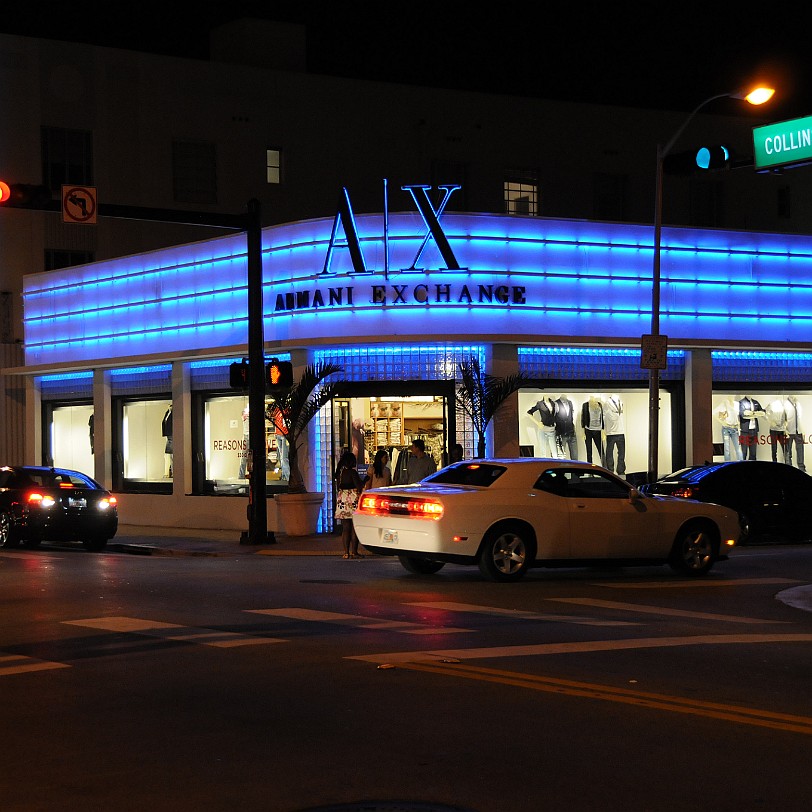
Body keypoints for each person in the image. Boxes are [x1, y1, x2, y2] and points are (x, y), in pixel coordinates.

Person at [334, 451, 364, 558]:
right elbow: (359, 486)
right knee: (354, 527)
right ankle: (354, 552)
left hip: (342, 500)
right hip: (353, 500)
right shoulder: (352, 472)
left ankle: (346, 552)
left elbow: (339, 487)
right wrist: (365, 480)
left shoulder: (340, 473)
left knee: (345, 528)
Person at [714, 396, 743, 461]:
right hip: (726, 428)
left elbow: (737, 417)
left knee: (738, 448)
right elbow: (713, 412)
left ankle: (741, 463)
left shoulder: (736, 404)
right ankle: (727, 464)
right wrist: (722, 422)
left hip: (735, 428)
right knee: (727, 449)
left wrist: (739, 426)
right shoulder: (724, 403)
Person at [603, 394, 626, 476]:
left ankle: (621, 470)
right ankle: (610, 470)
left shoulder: (620, 402)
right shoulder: (607, 403)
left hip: (621, 431)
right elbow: (605, 418)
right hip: (611, 432)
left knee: (622, 453)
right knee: (609, 453)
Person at [738, 394, 765, 461]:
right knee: (744, 452)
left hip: (754, 430)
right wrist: (754, 414)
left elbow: (762, 412)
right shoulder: (741, 402)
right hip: (745, 431)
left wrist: (752, 413)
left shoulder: (755, 402)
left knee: (753, 453)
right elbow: (742, 414)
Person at [581, 394, 604, 465]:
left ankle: (604, 467)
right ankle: (590, 469)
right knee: (589, 451)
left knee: (601, 450)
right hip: (588, 430)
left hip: (598, 430)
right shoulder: (585, 405)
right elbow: (583, 417)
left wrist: (603, 429)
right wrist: (583, 432)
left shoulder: (599, 404)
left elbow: (602, 417)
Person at [554, 394, 577, 459]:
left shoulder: (570, 402)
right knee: (561, 457)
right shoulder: (556, 403)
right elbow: (553, 417)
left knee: (575, 456)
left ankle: (575, 468)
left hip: (571, 432)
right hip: (561, 433)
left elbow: (571, 416)